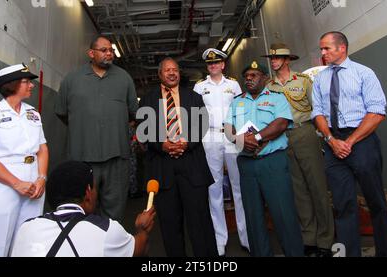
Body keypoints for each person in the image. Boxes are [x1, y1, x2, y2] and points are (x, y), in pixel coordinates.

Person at [312, 31, 387, 257]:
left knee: (376, 202)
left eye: (326, 48)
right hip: (332, 144)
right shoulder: (320, 78)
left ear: (342, 48)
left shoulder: (363, 73)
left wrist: (349, 141)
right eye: (321, 49)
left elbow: (377, 112)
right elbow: (317, 112)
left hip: (362, 142)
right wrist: (331, 140)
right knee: (342, 205)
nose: (322, 53)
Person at [137, 57, 218, 257]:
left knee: (200, 223)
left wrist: (186, 143)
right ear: (159, 74)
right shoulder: (148, 99)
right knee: (170, 225)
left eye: (175, 70)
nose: (172, 73)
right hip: (163, 170)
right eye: (167, 70)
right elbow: (143, 129)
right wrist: (162, 145)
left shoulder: (193, 97)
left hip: (192, 166)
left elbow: (202, 124)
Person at [224, 61, 304, 257]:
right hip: (247, 165)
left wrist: (257, 137)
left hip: (273, 163)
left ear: (265, 78)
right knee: (253, 217)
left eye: (254, 75)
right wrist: (239, 138)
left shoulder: (277, 99)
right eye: (247, 76)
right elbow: (227, 127)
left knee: (283, 214)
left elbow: (281, 123)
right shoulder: (237, 101)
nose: (249, 79)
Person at [55, 36, 138, 221]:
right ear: (91, 53)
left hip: (116, 157)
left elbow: (134, 113)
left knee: (114, 211)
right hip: (82, 158)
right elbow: (61, 112)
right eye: (104, 50)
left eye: (111, 50)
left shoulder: (124, 78)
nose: (109, 53)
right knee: (81, 211)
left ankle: (110, 247)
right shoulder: (72, 80)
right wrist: (84, 127)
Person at [265, 43, 334, 257]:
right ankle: (309, 238)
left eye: (278, 58)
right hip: (282, 137)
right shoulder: (269, 86)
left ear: (287, 60)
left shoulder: (303, 81)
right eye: (272, 58)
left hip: (304, 132)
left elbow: (318, 109)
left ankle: (326, 240)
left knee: (317, 186)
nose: (274, 61)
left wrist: (324, 135)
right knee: (299, 191)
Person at [0, 63, 49, 257]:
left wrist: (42, 178)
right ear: (12, 85)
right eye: (26, 82)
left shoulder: (33, 114)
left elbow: (42, 149)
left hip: (34, 184)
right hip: (3, 185)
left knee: (28, 242)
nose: (32, 85)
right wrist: (16, 184)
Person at [10, 161, 155, 257]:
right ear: (87, 193)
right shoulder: (106, 229)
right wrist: (142, 230)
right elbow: (139, 248)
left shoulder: (27, 228)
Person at [193, 48, 249, 255]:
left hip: (232, 136)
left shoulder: (233, 84)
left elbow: (240, 109)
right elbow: (196, 114)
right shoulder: (200, 87)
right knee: (214, 188)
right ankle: (219, 238)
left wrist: (243, 136)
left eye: (216, 62)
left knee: (239, 186)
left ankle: (245, 235)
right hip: (210, 137)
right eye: (210, 64)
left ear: (223, 64)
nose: (213, 66)